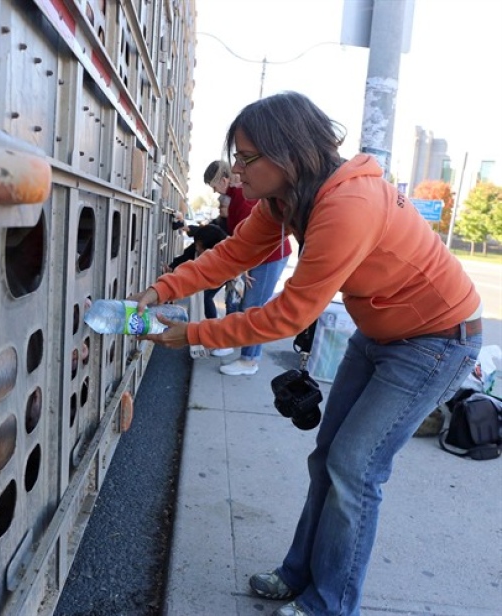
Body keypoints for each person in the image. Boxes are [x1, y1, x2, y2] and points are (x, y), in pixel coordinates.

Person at [131, 91, 482, 616]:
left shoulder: (348, 207)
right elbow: (232, 253)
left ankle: (330, 604)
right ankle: (299, 574)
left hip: (436, 341)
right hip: (381, 334)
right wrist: (162, 289)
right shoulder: (287, 198)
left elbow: (288, 315)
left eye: (246, 158)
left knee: (355, 467)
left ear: (287, 153)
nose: (237, 172)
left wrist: (195, 335)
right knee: (328, 459)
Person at [203, 159, 292, 369]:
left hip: (270, 256)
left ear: (224, 181)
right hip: (262, 255)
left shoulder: (242, 200)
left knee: (253, 307)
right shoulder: (236, 198)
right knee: (237, 302)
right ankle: (233, 345)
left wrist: (245, 267)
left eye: (215, 187)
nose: (216, 192)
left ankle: (249, 360)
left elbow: (254, 239)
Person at [165, 224, 227, 321]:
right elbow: (183, 258)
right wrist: (171, 268)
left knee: (205, 296)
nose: (197, 249)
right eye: (196, 246)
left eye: (200, 248)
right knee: (200, 296)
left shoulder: (222, 256)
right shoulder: (198, 245)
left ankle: (211, 322)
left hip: (220, 275)